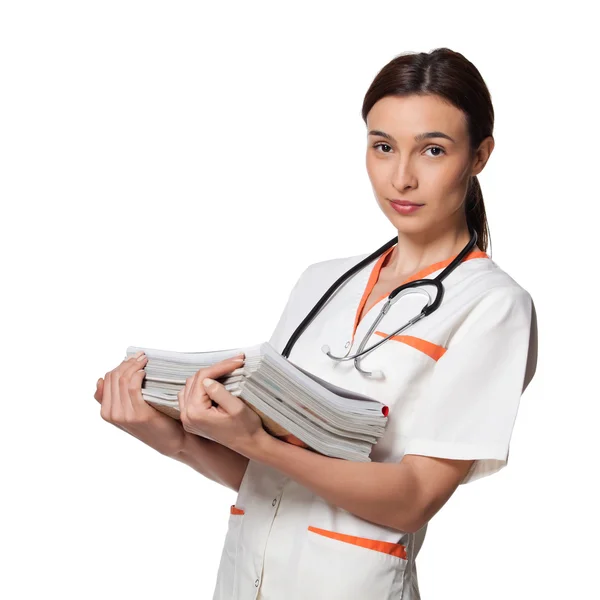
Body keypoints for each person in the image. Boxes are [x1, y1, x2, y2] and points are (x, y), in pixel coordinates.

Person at [94, 47, 538, 600]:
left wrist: (260, 444)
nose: (401, 177)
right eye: (383, 147)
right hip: (242, 581)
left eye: (432, 150)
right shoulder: (321, 282)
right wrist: (169, 437)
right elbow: (270, 481)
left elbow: (414, 497)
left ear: (479, 156)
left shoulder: (492, 305)